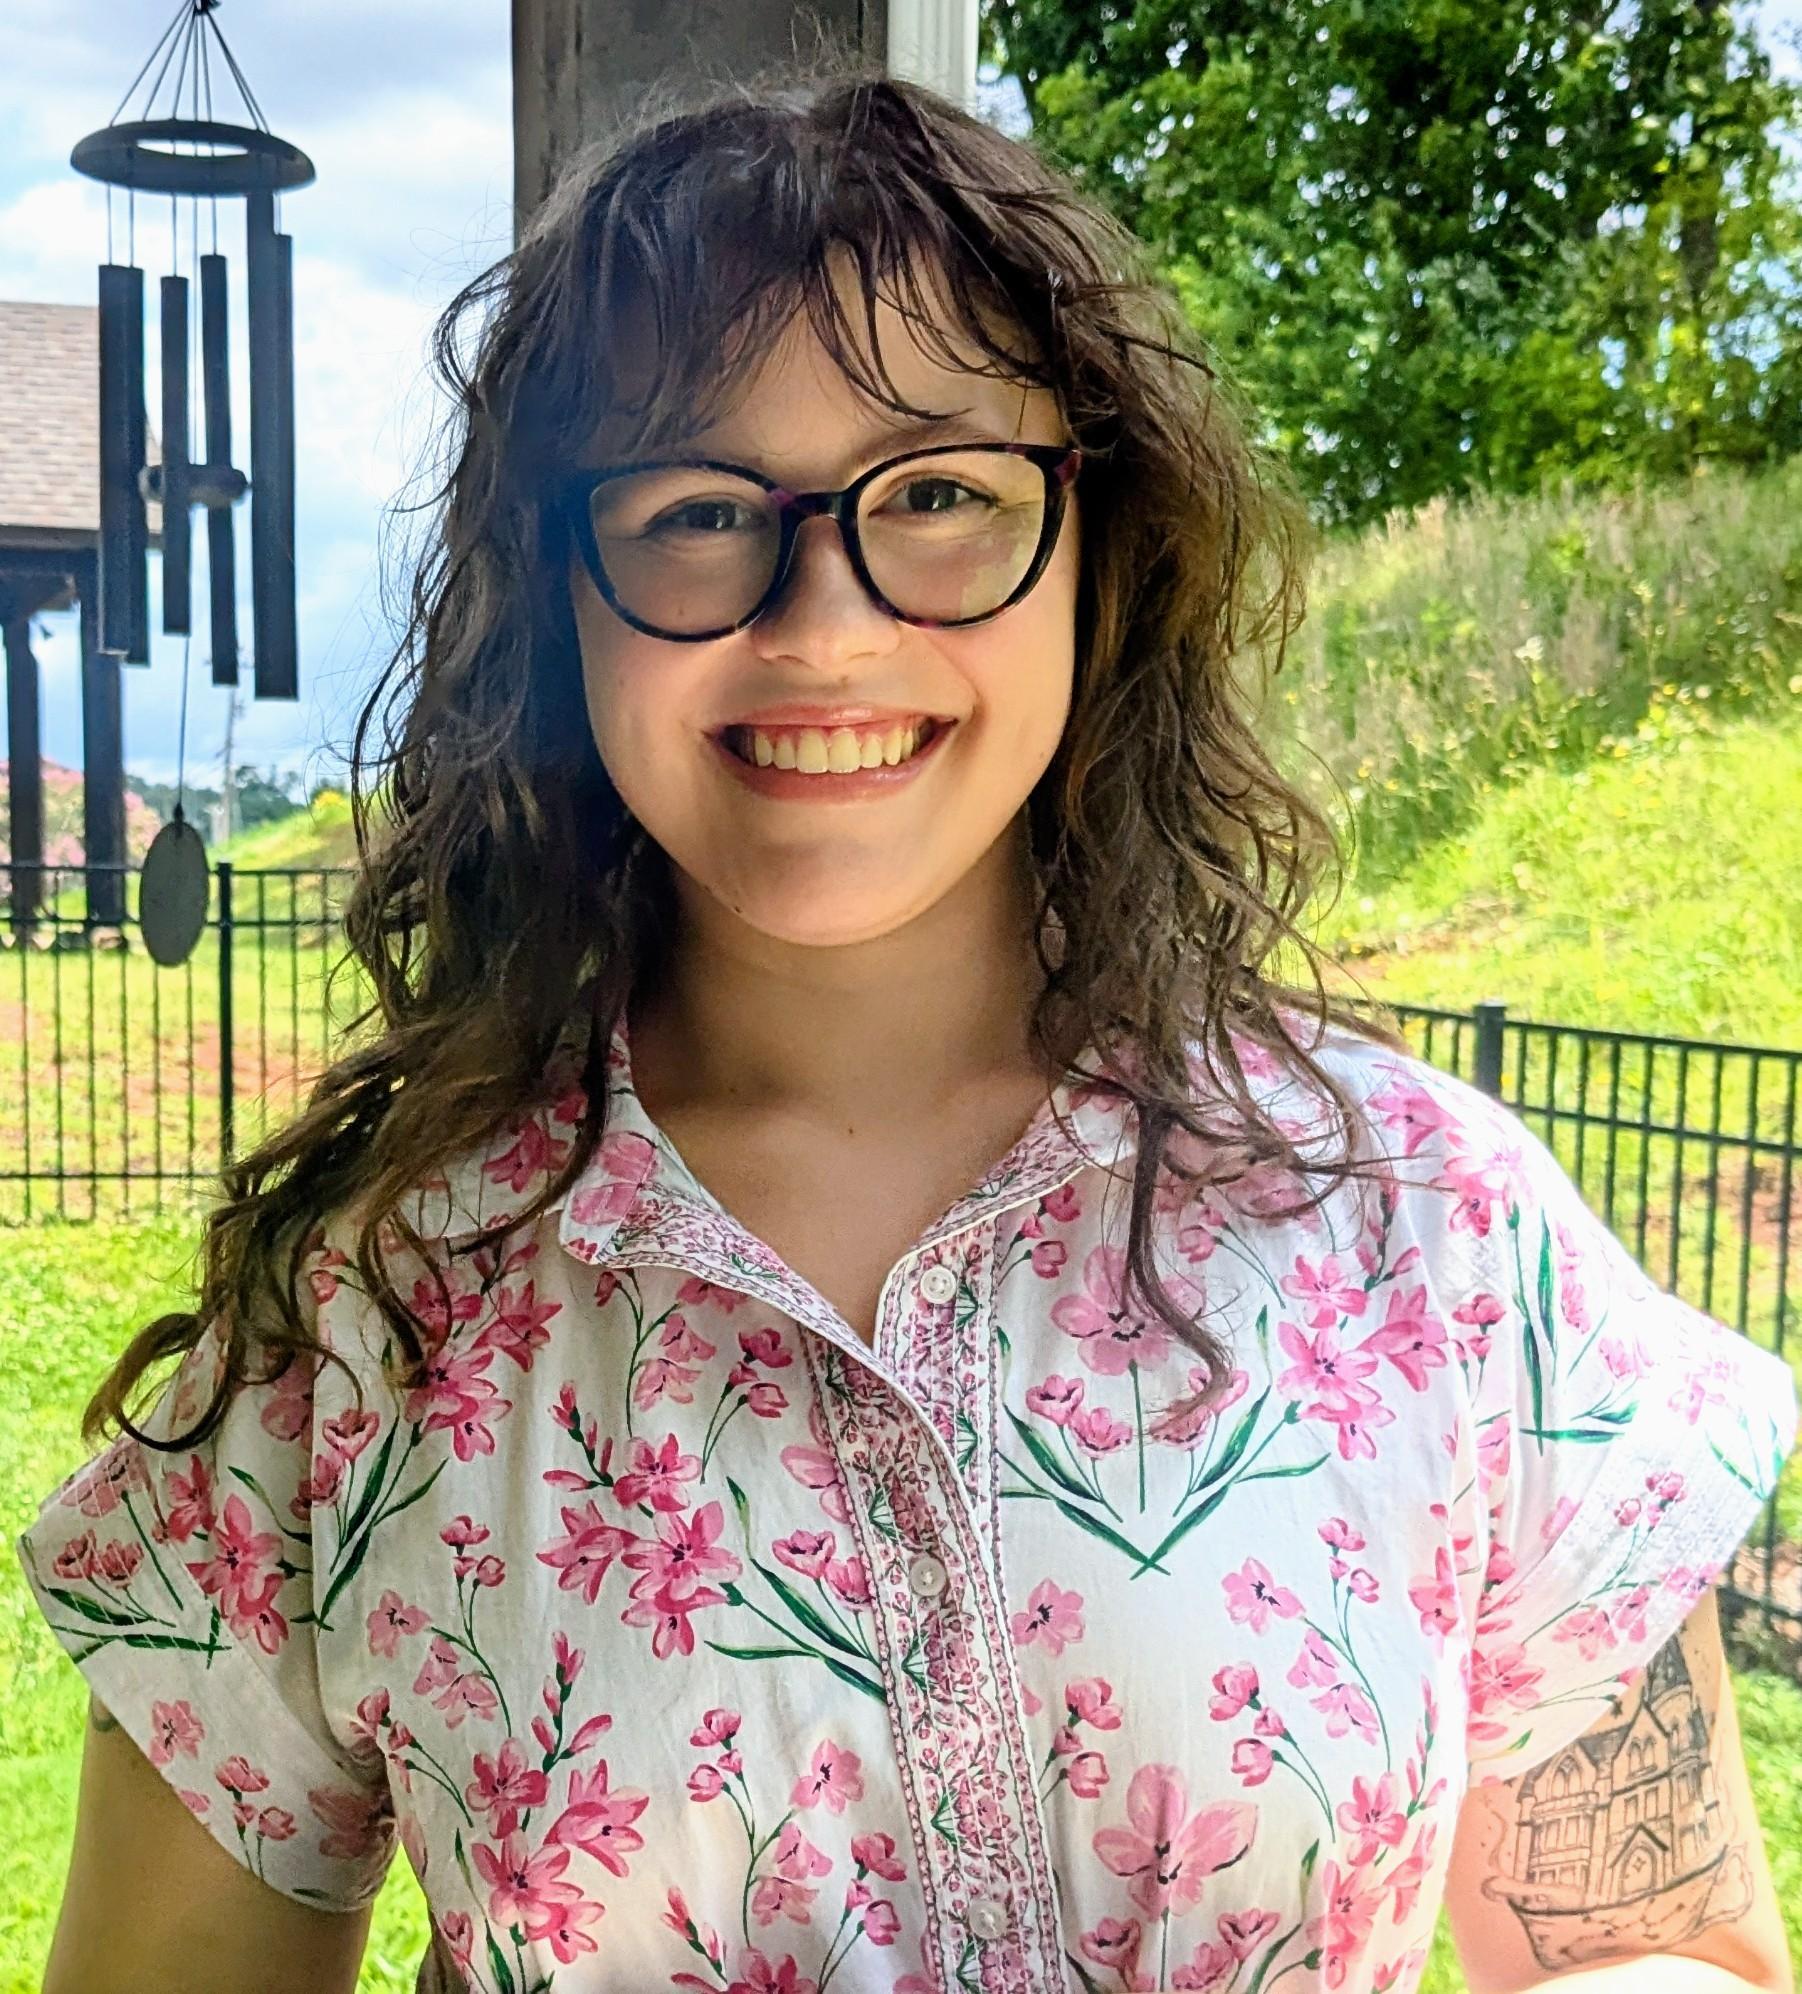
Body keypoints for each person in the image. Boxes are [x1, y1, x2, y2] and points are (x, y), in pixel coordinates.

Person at [16, 62, 1797, 1994]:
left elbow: (1656, 1948)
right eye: (700, 509)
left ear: (1101, 550)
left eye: (940, 492)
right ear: (561, 603)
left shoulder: (1429, 1229)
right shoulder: (368, 1322)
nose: (823, 625)